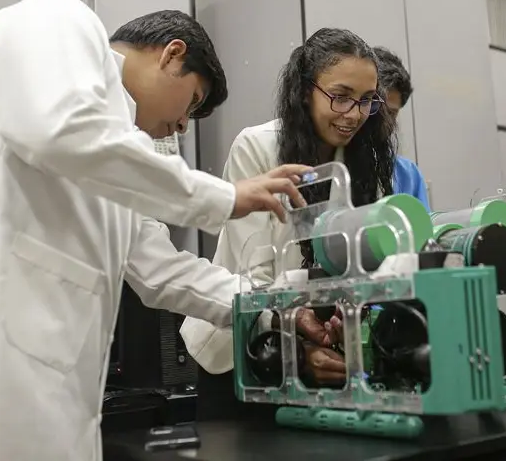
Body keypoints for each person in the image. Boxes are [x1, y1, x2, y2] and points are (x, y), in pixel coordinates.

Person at [0, 0, 311, 461]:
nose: (180, 127)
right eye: (190, 103)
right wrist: (225, 196)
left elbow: (161, 272)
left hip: (47, 378)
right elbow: (59, 131)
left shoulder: (117, 154)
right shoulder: (62, 19)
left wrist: (279, 314)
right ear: (172, 54)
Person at [181, 27, 397, 421]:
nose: (354, 114)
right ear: (304, 90)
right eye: (340, 96)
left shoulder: (366, 165)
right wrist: (295, 352)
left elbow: (361, 268)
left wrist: (342, 332)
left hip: (323, 350)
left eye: (367, 100)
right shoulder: (259, 147)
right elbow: (256, 271)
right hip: (242, 348)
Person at [374, 46, 430, 210]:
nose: (382, 120)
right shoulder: (335, 168)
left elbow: (422, 230)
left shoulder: (407, 175)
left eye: (391, 113)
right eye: (376, 108)